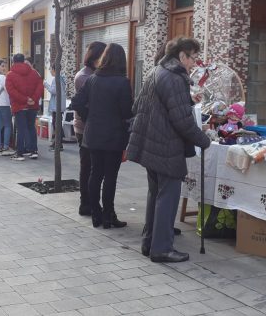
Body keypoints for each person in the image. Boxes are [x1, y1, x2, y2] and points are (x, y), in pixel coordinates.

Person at [127, 37, 210, 263]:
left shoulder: (158, 71)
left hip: (151, 144)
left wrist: (187, 100)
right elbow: (182, 121)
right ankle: (162, 248)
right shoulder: (174, 78)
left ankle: (150, 242)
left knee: (156, 194)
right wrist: (203, 139)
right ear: (182, 56)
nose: (194, 63)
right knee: (168, 197)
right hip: (165, 146)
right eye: (193, 58)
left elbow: (141, 106)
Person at [71, 43, 133, 229]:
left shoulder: (92, 79)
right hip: (113, 136)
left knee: (95, 174)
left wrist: (89, 117)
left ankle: (96, 213)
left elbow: (76, 102)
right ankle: (108, 215)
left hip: (93, 135)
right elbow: (126, 112)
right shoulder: (122, 83)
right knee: (110, 177)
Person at [74, 41, 106, 216]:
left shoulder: (95, 74)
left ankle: (91, 202)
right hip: (85, 128)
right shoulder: (84, 76)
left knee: (94, 167)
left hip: (94, 127)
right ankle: (85, 203)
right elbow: (84, 104)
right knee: (87, 166)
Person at [5, 53, 43, 161]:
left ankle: (20, 153)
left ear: (13, 61)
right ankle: (33, 151)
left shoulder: (10, 74)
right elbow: (40, 86)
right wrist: (33, 99)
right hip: (33, 105)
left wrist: (25, 99)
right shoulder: (34, 73)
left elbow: (11, 91)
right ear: (23, 60)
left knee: (21, 129)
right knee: (31, 127)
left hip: (19, 105)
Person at [44, 65, 67, 151]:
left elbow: (53, 91)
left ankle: (58, 144)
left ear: (54, 69)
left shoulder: (56, 79)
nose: (50, 71)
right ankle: (57, 142)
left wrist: (45, 84)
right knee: (57, 124)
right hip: (60, 105)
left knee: (56, 124)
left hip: (57, 105)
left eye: (50, 69)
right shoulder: (61, 78)